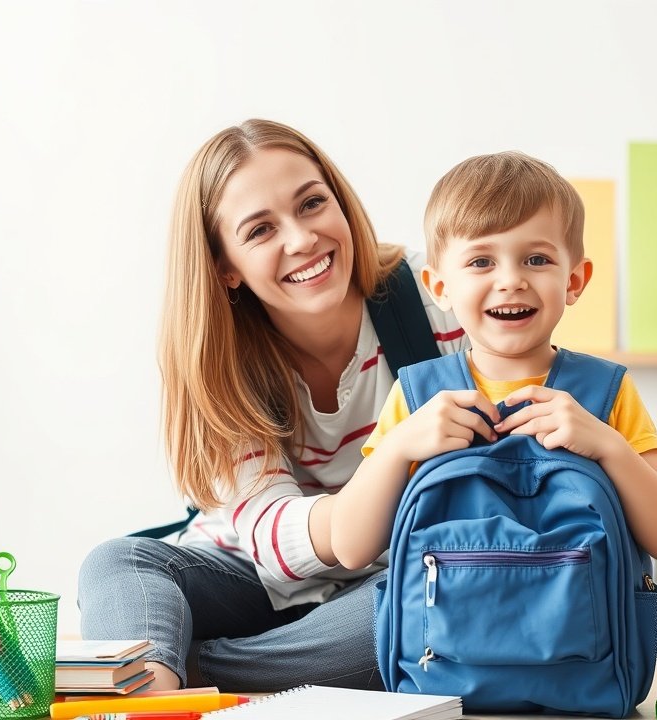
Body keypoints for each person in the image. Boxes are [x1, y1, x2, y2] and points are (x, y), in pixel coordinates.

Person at [77, 120, 466, 692]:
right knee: (115, 563)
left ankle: (194, 670)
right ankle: (154, 692)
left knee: (429, 608)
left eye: (312, 203)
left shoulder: (433, 297)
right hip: (247, 572)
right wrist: (384, 473)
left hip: (390, 577)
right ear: (224, 267)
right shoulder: (220, 357)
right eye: (260, 230)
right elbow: (274, 541)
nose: (302, 238)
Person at [330, 151, 657, 572]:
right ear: (439, 287)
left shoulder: (606, 391)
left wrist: (608, 446)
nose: (510, 281)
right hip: (447, 640)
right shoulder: (419, 398)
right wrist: (397, 450)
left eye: (537, 259)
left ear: (574, 281)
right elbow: (351, 549)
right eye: (481, 262)